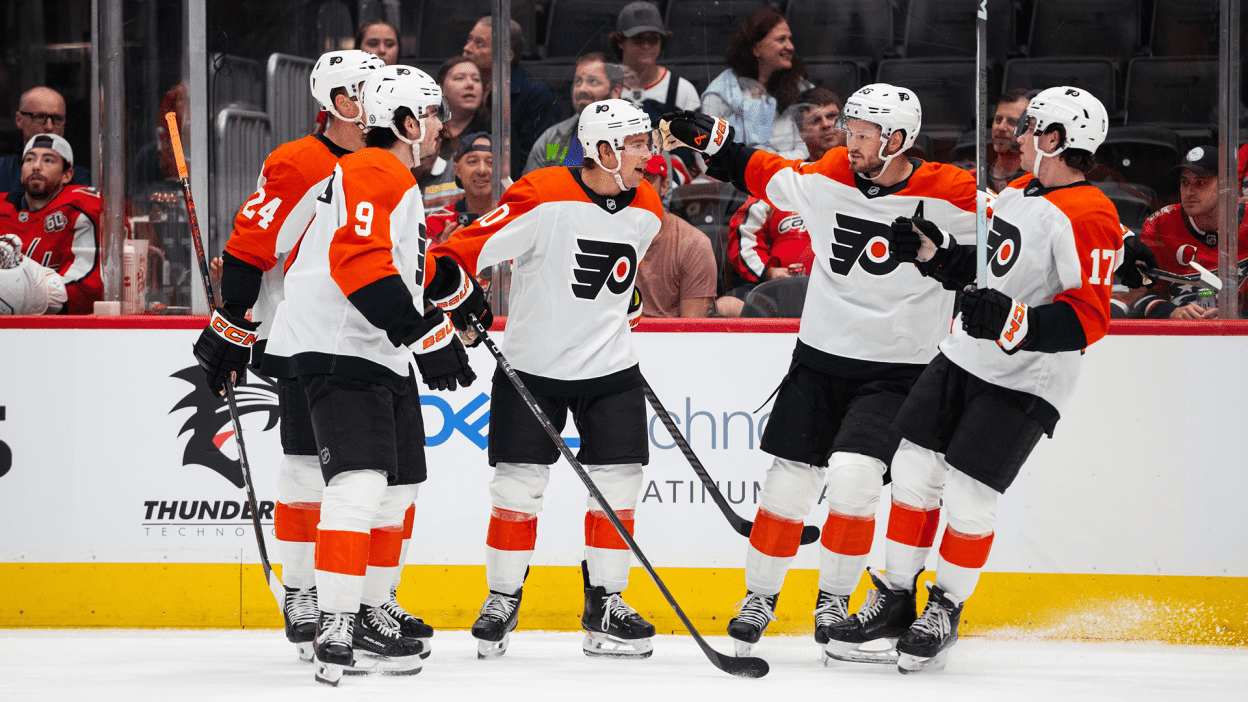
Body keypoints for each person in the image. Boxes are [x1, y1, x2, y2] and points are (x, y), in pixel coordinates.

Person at [812, 86, 1136, 674]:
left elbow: (1090, 316)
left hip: (1025, 378)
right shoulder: (1017, 191)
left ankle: (946, 606)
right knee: (912, 471)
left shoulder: (1090, 212)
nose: (1018, 133)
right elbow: (987, 272)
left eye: (1032, 125)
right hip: (964, 356)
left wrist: (1014, 320)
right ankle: (895, 597)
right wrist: (933, 254)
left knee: (969, 495)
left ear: (1058, 139)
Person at [660, 84, 980, 658]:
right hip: (821, 357)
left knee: (856, 482)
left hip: (899, 370)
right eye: (849, 130)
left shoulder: (952, 192)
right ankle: (759, 596)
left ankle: (833, 600)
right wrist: (716, 142)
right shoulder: (831, 173)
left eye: (862, 134)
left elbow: (1018, 233)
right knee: (788, 481)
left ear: (899, 140)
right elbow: (769, 174)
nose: (847, 142)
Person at [192, 50, 440, 666]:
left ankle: (366, 600)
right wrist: (235, 322)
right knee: (310, 470)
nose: (373, 95)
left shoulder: (383, 168)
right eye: (361, 89)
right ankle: (307, 593)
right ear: (338, 102)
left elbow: (399, 258)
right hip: (304, 333)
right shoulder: (302, 160)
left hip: (372, 335)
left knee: (388, 479)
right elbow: (252, 244)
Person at [261, 64, 488, 685]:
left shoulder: (392, 180)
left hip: (376, 349)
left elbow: (398, 265)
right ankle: (338, 618)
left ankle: (368, 604)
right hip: (344, 350)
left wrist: (454, 291)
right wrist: (429, 335)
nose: (444, 126)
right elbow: (356, 263)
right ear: (409, 123)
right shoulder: (372, 168)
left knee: (398, 487)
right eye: (436, 114)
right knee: (357, 484)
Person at [432, 98, 662, 661]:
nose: (648, 155)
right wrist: (461, 300)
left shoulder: (649, 204)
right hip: (533, 368)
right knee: (516, 487)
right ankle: (502, 598)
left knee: (619, 488)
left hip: (611, 370)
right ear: (603, 151)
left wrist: (622, 304)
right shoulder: (541, 193)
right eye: (636, 145)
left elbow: (618, 276)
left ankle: (606, 601)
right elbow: (453, 254)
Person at [719, 88, 843, 314]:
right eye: (816, 120)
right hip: (780, 297)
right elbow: (743, 231)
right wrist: (768, 271)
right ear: (801, 132)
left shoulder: (869, 179)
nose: (826, 124)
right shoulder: (782, 177)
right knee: (724, 307)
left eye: (833, 116)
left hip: (845, 294)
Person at [1122, 144, 1248, 319]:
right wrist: (1171, 312)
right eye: (1184, 182)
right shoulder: (1159, 224)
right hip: (1179, 337)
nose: (1189, 192)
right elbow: (1137, 295)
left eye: (1200, 183)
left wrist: (1239, 316)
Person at [0, 134, 101, 314]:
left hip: (61, 331)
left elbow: (86, 290)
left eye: (48, 160)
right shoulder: (3, 207)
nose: (36, 166)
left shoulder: (82, 205)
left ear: (67, 174)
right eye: (29, 159)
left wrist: (18, 295)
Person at [700, 7, 813, 159]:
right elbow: (706, 155)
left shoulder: (801, 88)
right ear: (756, 48)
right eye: (781, 39)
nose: (791, 47)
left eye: (789, 39)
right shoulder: (718, 94)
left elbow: (811, 148)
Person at [463, 15, 557, 177]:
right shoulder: (458, 85)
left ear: (507, 56)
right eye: (469, 40)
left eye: (478, 43)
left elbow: (540, 157)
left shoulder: (535, 94)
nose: (467, 48)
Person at [635, 154, 717, 317]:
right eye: (631, 180)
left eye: (647, 180)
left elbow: (691, 332)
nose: (638, 187)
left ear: (664, 186)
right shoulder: (604, 236)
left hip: (668, 340)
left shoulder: (694, 244)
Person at [524, 53, 624, 174]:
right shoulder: (552, 140)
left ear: (615, 92)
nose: (582, 89)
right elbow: (531, 189)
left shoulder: (635, 139)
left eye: (593, 82)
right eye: (578, 81)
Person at [609, 1, 700, 124]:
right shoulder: (603, 84)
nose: (646, 46)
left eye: (653, 39)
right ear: (620, 41)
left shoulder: (682, 90)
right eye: (638, 38)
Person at [1, 87, 90, 193]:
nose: (49, 127)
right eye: (39, 117)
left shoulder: (83, 179)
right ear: (19, 120)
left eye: (58, 119)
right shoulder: (3, 170)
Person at [426, 132, 496, 243]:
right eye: (472, 161)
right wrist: (443, 252)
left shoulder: (515, 217)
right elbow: (425, 259)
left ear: (502, 169)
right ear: (457, 170)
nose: (482, 170)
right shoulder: (438, 221)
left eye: (490, 162)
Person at [436, 56, 491, 162]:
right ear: (440, 89)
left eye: (476, 79)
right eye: (460, 78)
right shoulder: (426, 128)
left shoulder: (496, 130)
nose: (470, 84)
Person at [987, 88, 1031, 192]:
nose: (1001, 127)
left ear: (1031, 129)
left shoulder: (1038, 183)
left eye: (1012, 122)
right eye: (998, 119)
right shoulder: (972, 178)